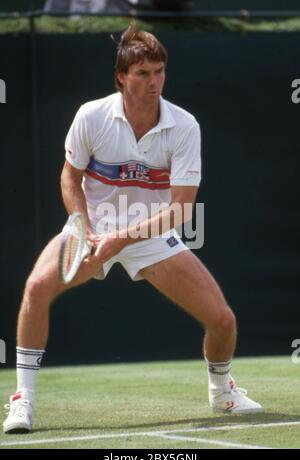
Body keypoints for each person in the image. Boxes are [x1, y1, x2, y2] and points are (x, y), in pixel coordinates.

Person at [3, 21, 262, 434]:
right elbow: (70, 177)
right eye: (143, 73)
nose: (153, 81)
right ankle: (23, 400)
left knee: (223, 321)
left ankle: (221, 390)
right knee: (36, 289)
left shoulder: (184, 126)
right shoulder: (91, 116)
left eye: (159, 71)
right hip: (93, 228)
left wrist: (121, 239)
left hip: (151, 234)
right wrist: (82, 227)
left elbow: (181, 208)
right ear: (121, 77)